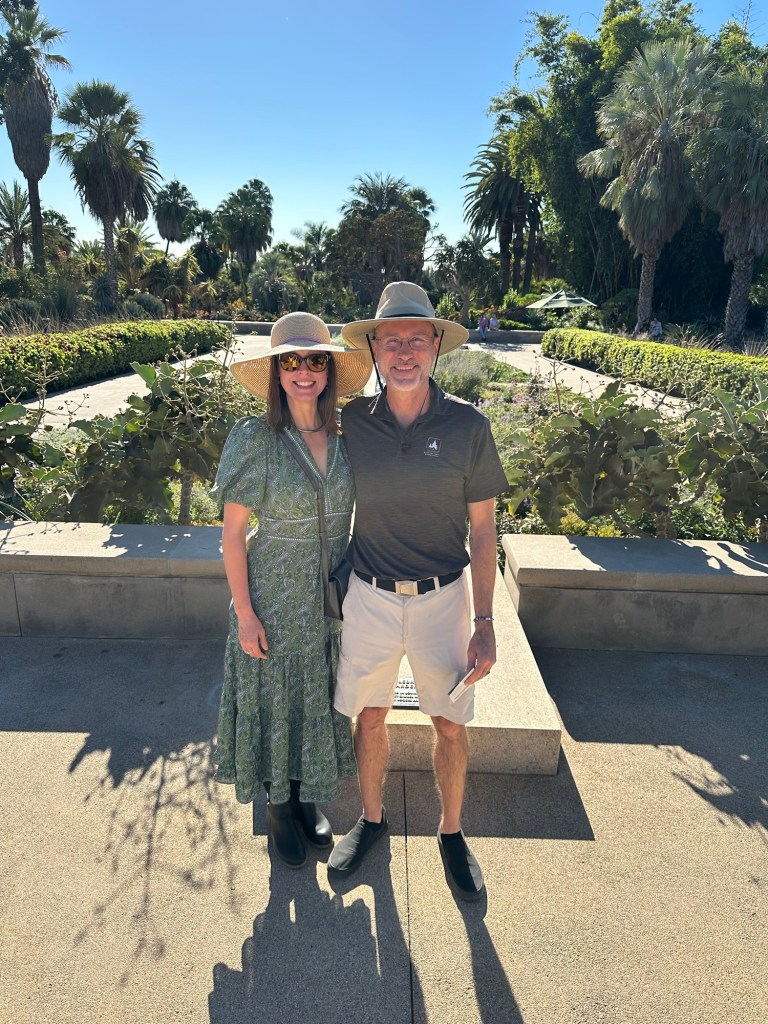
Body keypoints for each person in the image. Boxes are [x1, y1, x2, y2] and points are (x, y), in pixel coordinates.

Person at [328, 282, 508, 901]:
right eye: (392, 340)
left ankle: (452, 833)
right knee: (370, 714)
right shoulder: (353, 421)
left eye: (416, 339)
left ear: (436, 346)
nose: (404, 351)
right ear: (375, 348)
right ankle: (372, 819)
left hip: (445, 598)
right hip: (370, 595)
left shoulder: (468, 426)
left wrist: (484, 621)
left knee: (450, 723)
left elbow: (484, 532)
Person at [210, 312, 372, 868]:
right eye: (292, 362)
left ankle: (304, 799)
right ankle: (278, 809)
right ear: (278, 374)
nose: (304, 371)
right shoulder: (256, 439)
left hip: (330, 599)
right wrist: (246, 613)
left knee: (317, 698)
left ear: (328, 370)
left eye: (315, 360)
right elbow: (232, 536)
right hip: (274, 598)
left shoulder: (348, 438)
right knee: (277, 701)